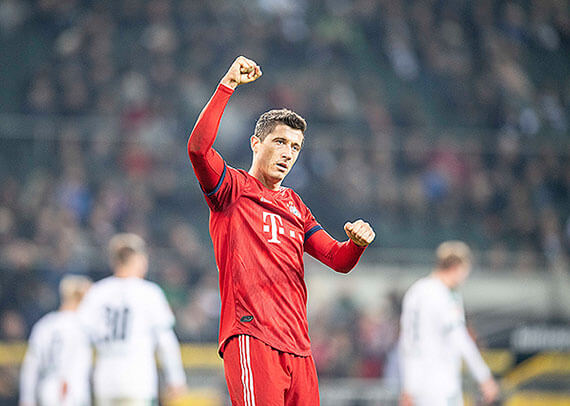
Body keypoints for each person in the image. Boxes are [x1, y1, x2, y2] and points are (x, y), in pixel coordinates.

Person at [187, 55, 375, 405]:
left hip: (299, 348)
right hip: (252, 336)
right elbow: (198, 149)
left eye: (295, 147)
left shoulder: (295, 205)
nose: (288, 153)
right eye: (280, 142)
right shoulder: (232, 189)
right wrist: (227, 85)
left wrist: (356, 244)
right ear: (256, 144)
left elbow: (337, 259)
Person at [77, 233, 186, 406]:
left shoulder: (97, 292)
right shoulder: (149, 292)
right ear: (137, 259)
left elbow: (81, 340)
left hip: (105, 377)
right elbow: (165, 341)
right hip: (138, 377)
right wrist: (175, 377)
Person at [399, 241, 500, 406]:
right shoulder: (444, 296)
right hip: (440, 383)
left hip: (417, 384)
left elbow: (406, 342)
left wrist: (408, 386)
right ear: (457, 266)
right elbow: (460, 338)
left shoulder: (416, 291)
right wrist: (484, 377)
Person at [19, 275, 93, 406]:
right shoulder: (81, 325)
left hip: (47, 388)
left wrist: (27, 398)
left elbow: (31, 365)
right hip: (68, 391)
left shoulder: (45, 323)